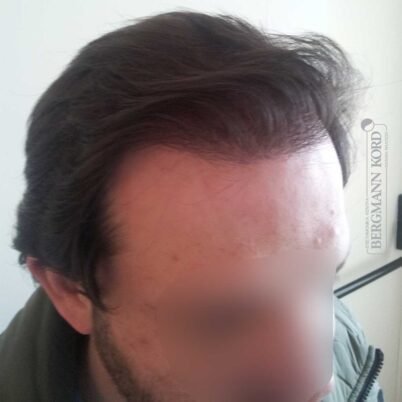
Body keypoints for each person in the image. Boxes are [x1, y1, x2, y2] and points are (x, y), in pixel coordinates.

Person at [0, 10, 384, 402]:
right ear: (70, 291)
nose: (316, 382)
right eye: (226, 320)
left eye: (321, 278)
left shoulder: (340, 338)